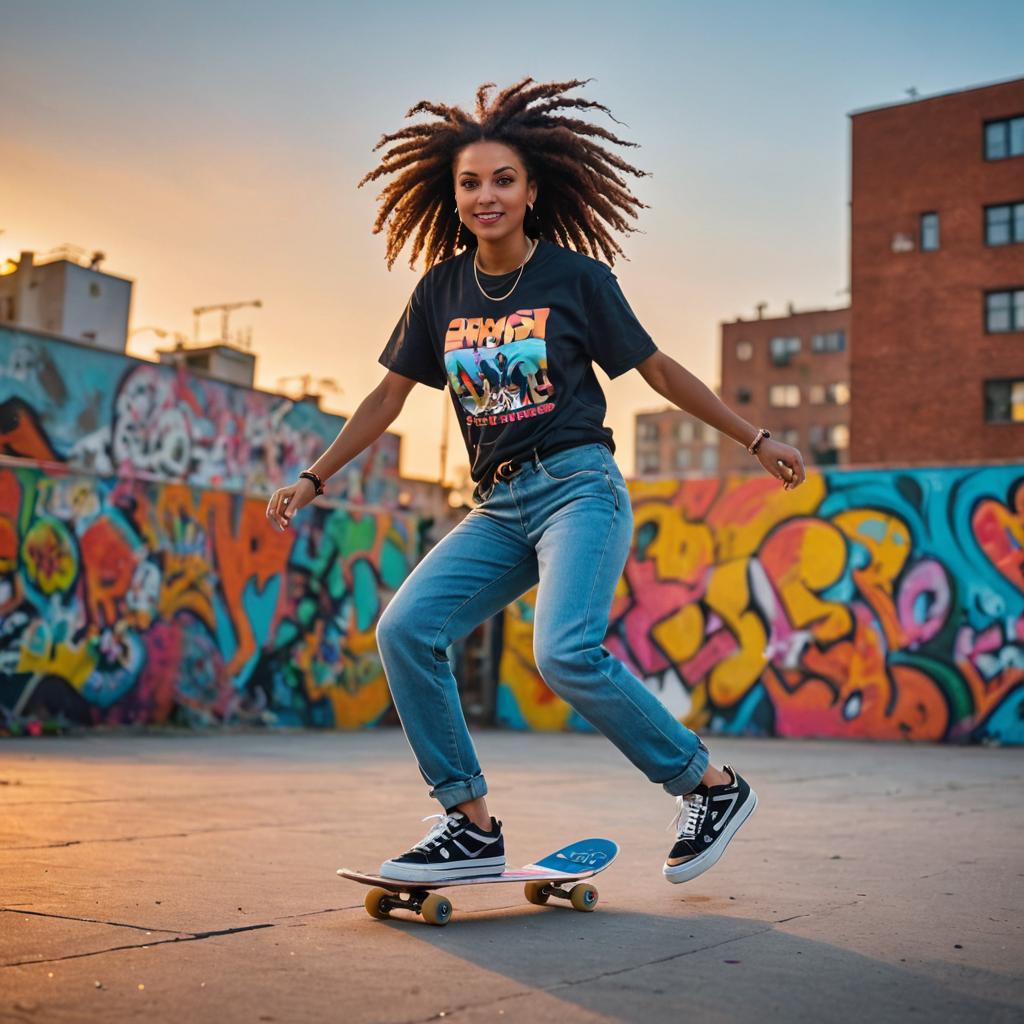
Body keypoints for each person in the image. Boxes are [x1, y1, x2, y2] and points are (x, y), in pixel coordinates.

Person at [265, 78, 806, 886]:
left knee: (563, 652)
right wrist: (314, 476)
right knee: (406, 631)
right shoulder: (440, 291)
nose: (487, 196)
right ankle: (470, 825)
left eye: (503, 180)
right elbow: (386, 397)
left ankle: (710, 787)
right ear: (450, 198)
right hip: (496, 507)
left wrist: (754, 437)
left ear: (532, 189)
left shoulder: (576, 279)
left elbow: (655, 367)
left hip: (578, 488)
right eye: (470, 183)